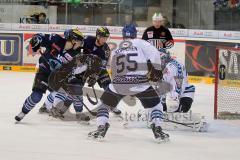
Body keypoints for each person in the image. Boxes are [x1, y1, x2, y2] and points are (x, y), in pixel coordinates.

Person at [88, 24, 169, 142]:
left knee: (104, 104)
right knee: (156, 105)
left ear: (123, 36)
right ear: (135, 34)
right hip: (140, 82)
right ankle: (158, 129)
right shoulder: (140, 43)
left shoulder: (117, 48)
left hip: (119, 82)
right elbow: (155, 54)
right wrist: (157, 70)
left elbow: (113, 69)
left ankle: (101, 127)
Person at [42, 26, 121, 120]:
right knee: (75, 90)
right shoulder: (87, 40)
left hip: (97, 70)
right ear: (98, 36)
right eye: (103, 37)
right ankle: (59, 109)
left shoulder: (106, 50)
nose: (105, 39)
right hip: (81, 68)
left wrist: (94, 77)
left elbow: (102, 66)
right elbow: (75, 49)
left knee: (108, 85)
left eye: (106, 38)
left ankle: (111, 104)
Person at [15, 29, 85, 122]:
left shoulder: (76, 55)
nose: (80, 44)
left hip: (57, 78)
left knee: (62, 93)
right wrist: (36, 40)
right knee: (36, 96)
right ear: (73, 40)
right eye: (79, 41)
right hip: (44, 72)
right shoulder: (56, 39)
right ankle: (23, 112)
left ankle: (49, 108)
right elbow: (39, 36)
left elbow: (73, 70)